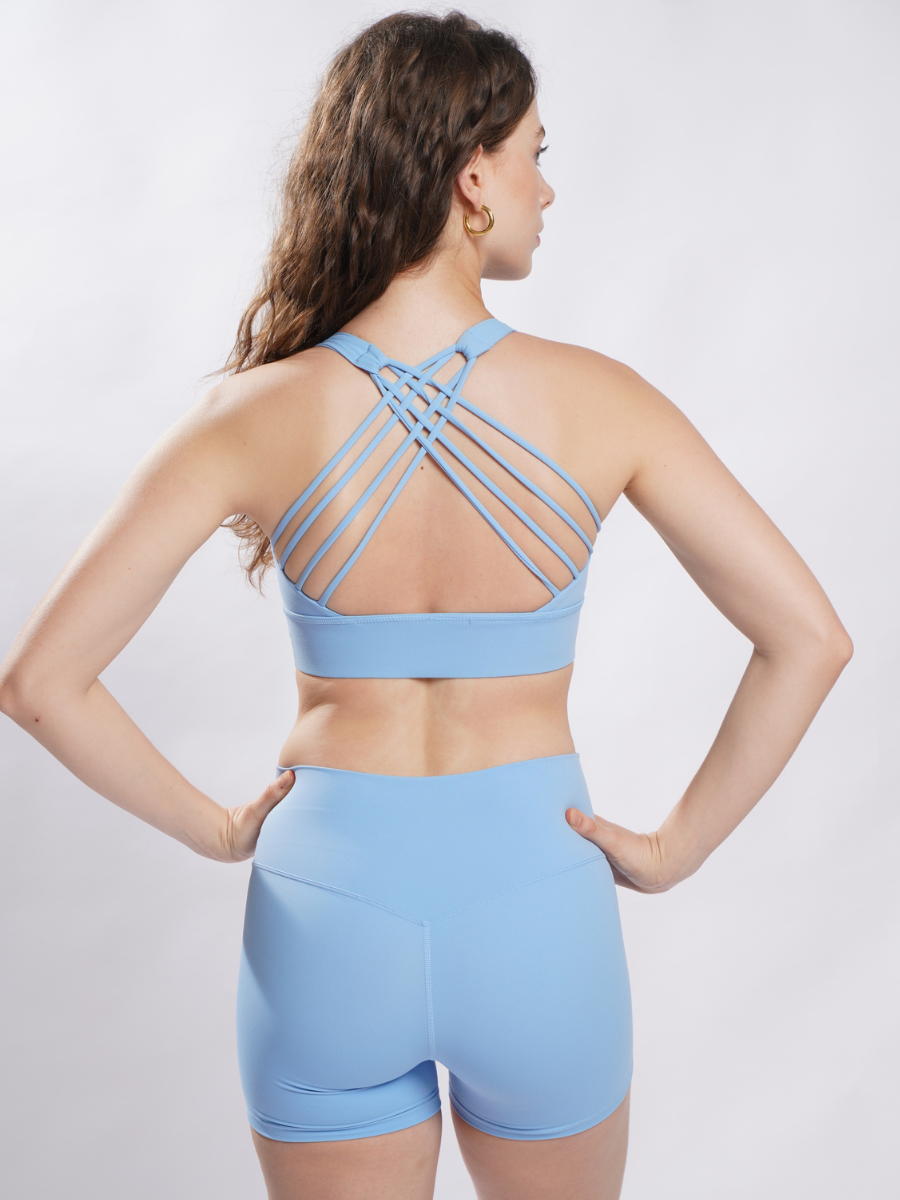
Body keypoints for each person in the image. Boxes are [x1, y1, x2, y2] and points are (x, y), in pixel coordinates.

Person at [0, 11, 852, 1200]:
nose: (548, 188)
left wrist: (219, 830)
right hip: (536, 904)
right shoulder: (605, 401)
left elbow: (39, 683)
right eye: (535, 155)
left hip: (325, 912)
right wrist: (671, 851)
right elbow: (810, 639)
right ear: (472, 179)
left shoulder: (249, 414)